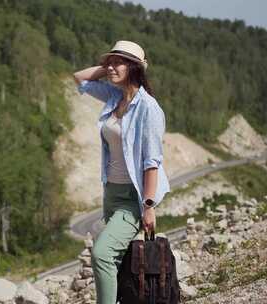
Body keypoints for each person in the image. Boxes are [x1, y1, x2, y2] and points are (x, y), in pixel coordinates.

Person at [73, 40, 170, 304]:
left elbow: (152, 162)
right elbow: (79, 78)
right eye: (110, 61)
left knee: (102, 254)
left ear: (135, 68)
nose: (111, 66)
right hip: (111, 194)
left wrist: (148, 206)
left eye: (118, 62)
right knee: (119, 262)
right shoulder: (115, 96)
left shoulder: (148, 108)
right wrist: (109, 69)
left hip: (133, 198)